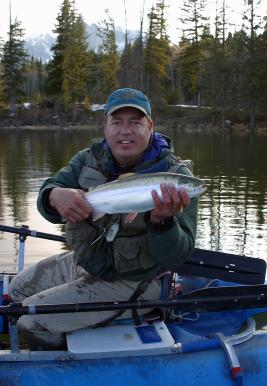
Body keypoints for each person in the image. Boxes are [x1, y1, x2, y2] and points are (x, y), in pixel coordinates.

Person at [9, 88, 198, 350]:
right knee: (16, 290)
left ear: (150, 126)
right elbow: (48, 196)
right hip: (89, 263)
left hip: (139, 282)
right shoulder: (88, 159)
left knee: (29, 321)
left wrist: (162, 223)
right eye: (117, 122)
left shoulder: (175, 177)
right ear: (105, 127)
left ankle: (69, 357)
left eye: (135, 122)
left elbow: (177, 256)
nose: (125, 130)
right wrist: (54, 195)